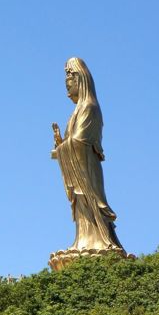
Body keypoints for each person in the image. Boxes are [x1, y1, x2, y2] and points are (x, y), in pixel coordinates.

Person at [51, 57, 126, 256]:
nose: (67, 88)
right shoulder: (77, 111)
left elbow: (79, 142)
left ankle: (98, 241)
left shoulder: (89, 107)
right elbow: (72, 142)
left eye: (70, 81)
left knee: (89, 205)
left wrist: (63, 147)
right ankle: (83, 240)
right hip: (79, 171)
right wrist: (61, 145)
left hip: (87, 172)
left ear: (80, 80)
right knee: (80, 209)